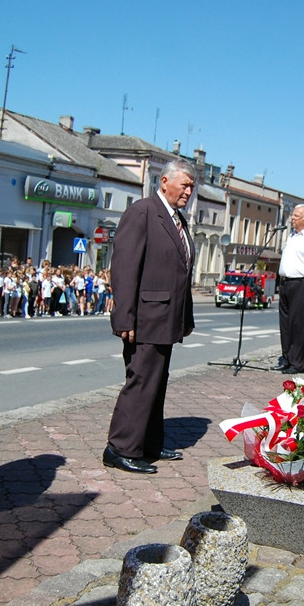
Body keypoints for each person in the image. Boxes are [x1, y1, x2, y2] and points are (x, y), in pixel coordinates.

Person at [103, 158, 196, 474]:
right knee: (142, 380)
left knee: (157, 382)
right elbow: (125, 267)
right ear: (165, 181)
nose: (189, 191)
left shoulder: (177, 219)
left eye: (192, 187)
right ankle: (121, 447)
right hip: (145, 317)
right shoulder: (142, 212)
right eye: (184, 185)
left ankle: (150, 443)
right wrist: (124, 316)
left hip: (166, 318)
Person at [274, 204, 304, 374]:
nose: (292, 218)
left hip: (302, 284)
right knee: (285, 324)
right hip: (286, 283)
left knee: (298, 324)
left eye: (296, 215)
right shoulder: (292, 236)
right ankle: (286, 359)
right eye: (292, 215)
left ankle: (298, 363)